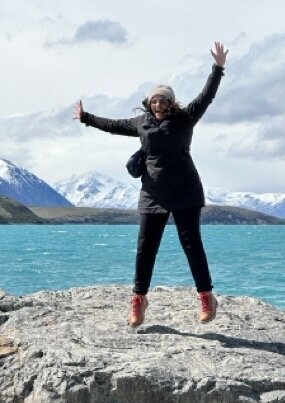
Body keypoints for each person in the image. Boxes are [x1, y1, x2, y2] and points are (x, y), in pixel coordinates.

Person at [73, 41, 228, 326]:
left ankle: (207, 297)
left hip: (185, 192)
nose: (159, 105)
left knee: (192, 244)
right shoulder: (141, 123)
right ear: (149, 103)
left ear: (171, 103)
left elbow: (206, 97)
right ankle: (138, 301)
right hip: (152, 194)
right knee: (146, 248)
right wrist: (86, 118)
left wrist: (217, 69)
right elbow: (114, 125)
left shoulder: (185, 119)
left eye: (164, 101)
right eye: (155, 101)